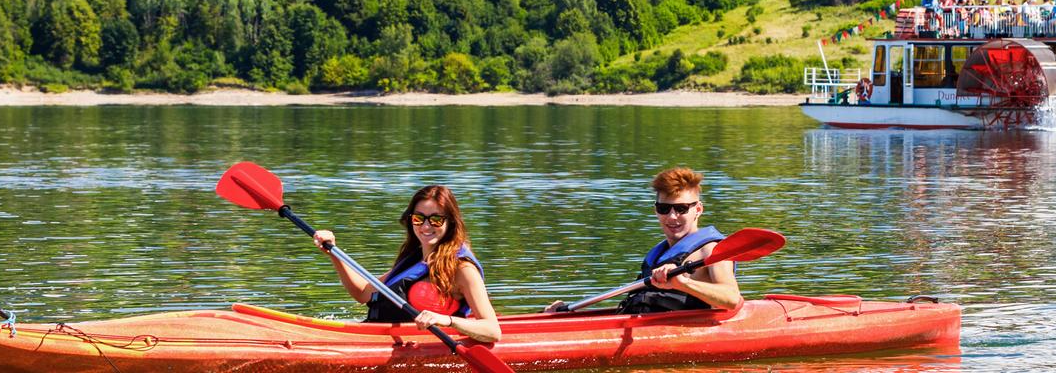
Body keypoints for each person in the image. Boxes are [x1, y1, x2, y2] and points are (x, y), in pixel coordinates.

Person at [313, 185, 502, 342]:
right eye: (419, 218)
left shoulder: (462, 268)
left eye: (436, 219)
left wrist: (446, 320)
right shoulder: (414, 259)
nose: (426, 226)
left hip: (420, 345)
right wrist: (334, 253)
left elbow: (492, 330)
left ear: (450, 222)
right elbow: (362, 293)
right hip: (379, 337)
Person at [546, 167, 742, 314]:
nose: (672, 217)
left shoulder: (712, 250)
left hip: (685, 332)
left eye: (681, 209)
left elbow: (732, 299)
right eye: (664, 209)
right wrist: (570, 314)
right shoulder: (660, 255)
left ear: (698, 209)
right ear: (655, 210)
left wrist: (684, 284)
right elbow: (643, 302)